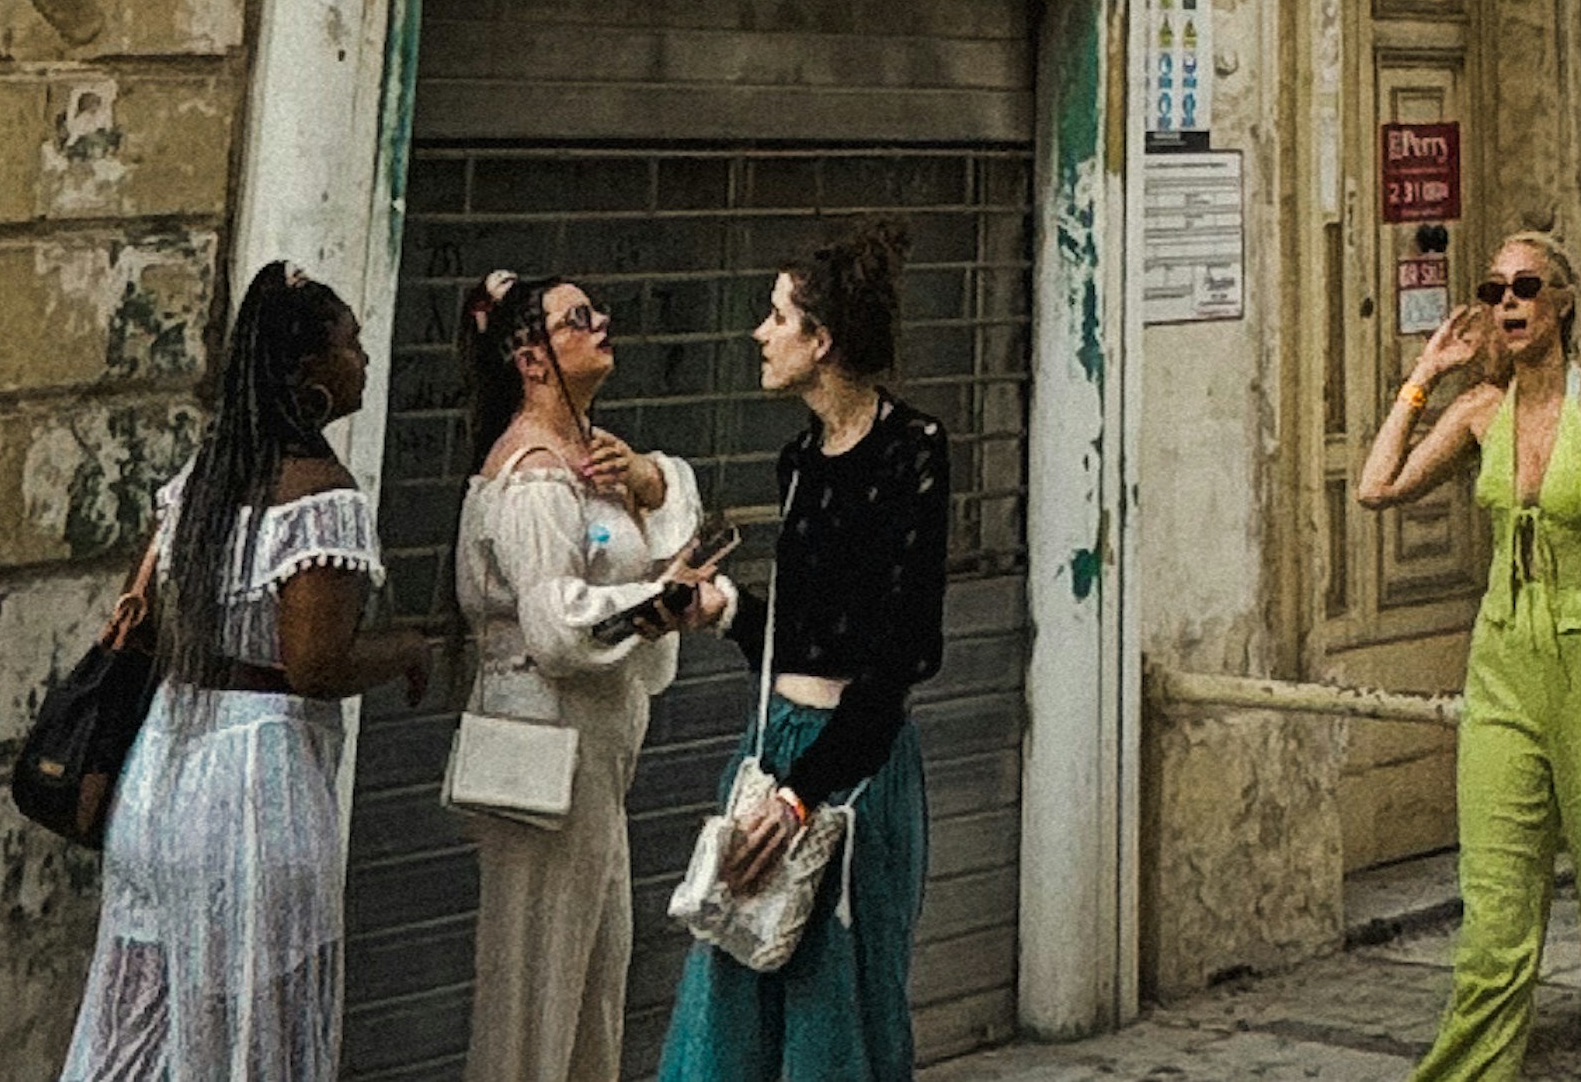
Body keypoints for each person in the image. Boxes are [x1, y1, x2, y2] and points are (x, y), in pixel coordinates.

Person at [62, 260, 438, 1082]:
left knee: (141, 1023)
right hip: (254, 790)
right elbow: (315, 661)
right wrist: (406, 646)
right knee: (257, 1032)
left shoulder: (197, 483)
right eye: (351, 344)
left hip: (160, 773)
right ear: (310, 371)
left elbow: (146, 616)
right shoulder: (321, 498)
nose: (364, 359)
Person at [1352, 228, 1581, 1082]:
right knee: (1494, 933)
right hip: (1502, 673)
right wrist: (1426, 373)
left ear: (1563, 301)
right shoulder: (1479, 410)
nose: (1507, 301)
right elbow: (1375, 485)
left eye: (1526, 285)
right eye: (1494, 286)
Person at [656, 220, 948, 1082]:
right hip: (771, 750)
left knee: (840, 1016)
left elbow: (899, 653)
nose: (759, 331)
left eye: (777, 315)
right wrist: (723, 608)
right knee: (732, 1009)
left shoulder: (914, 452)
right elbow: (800, 636)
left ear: (821, 341)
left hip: (854, 772)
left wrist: (801, 799)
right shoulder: (797, 461)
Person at [453, 266, 733, 1082]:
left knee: (592, 979)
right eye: (577, 318)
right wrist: (660, 600)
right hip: (545, 756)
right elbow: (555, 624)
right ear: (532, 358)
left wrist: (648, 480)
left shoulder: (591, 459)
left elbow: (650, 523)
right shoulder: (535, 477)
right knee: (535, 988)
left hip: (591, 764)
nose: (601, 322)